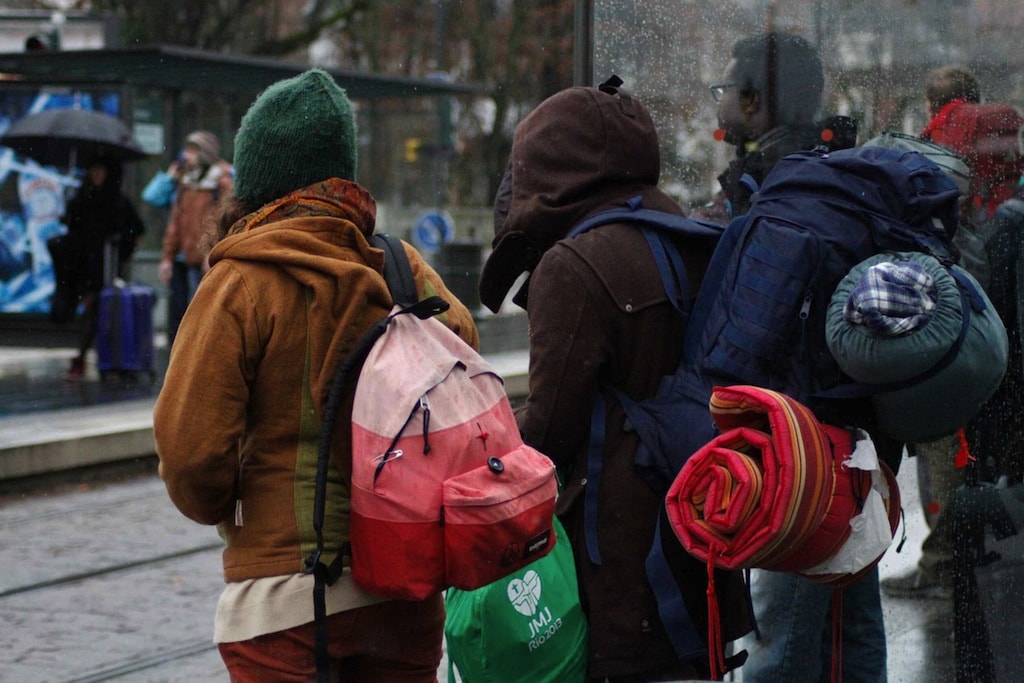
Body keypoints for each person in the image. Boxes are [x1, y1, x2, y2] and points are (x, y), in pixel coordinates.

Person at [153, 69, 478, 681]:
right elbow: (465, 371)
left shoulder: (239, 280)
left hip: (283, 603)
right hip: (403, 596)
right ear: (343, 174)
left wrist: (236, 512)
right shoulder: (403, 269)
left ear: (254, 179)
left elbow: (192, 455)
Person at [478, 79, 749, 681]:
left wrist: (480, 451)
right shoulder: (684, 229)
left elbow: (549, 430)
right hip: (704, 519)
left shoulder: (572, 264)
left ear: (552, 169)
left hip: (621, 555)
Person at [712, 32, 889, 682]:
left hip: (800, 449)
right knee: (849, 628)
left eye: (726, 90)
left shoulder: (780, 192)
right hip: (856, 438)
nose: (721, 103)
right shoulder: (838, 172)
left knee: (781, 642)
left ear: (756, 103)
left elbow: (755, 335)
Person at [145, 129, 233, 345]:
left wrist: (212, 251)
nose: (187, 155)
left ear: (204, 153)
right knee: (178, 312)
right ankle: (178, 358)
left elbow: (223, 220)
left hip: (203, 259)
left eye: (192, 150)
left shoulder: (221, 181)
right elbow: (172, 220)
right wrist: (167, 257)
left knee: (200, 312)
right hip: (182, 257)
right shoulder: (185, 181)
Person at [60, 157, 145, 380]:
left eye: (101, 170)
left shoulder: (116, 200)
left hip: (108, 265)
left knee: (100, 311)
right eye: (93, 170)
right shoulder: (81, 198)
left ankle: (96, 359)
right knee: (93, 312)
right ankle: (101, 359)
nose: (97, 175)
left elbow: (135, 229)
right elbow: (72, 228)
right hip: (85, 266)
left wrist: (121, 246)